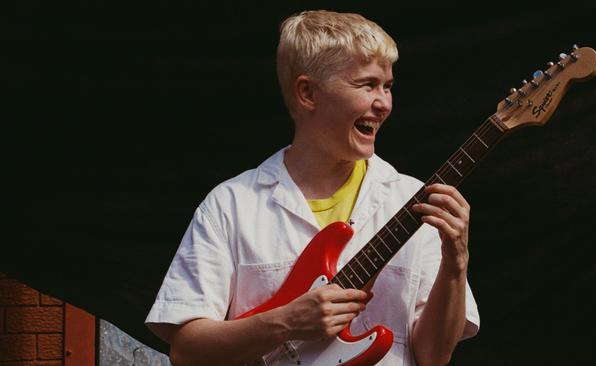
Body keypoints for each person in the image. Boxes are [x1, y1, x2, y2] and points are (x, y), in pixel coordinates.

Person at [145, 10, 479, 366]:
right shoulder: (231, 204)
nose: (383, 103)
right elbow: (186, 352)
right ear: (307, 92)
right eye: (366, 85)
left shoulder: (411, 201)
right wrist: (286, 322)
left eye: (388, 86)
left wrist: (456, 262)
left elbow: (433, 357)